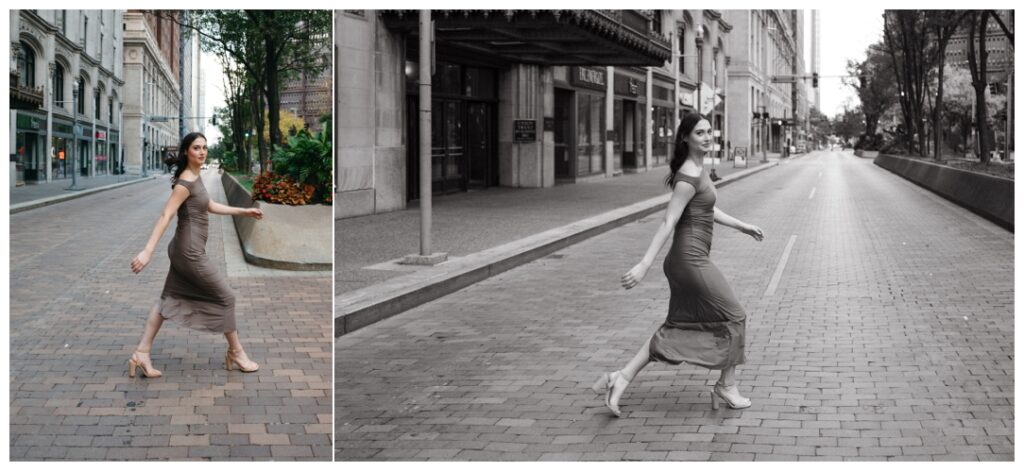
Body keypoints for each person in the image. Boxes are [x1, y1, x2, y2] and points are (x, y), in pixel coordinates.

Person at [592, 113, 765, 417]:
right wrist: (644, 264)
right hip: (689, 260)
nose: (708, 137)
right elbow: (668, 221)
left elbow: (707, 209)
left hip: (691, 260)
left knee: (679, 324)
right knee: (735, 315)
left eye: (710, 131)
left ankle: (620, 378)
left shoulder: (699, 169)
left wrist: (743, 225)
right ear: (685, 137)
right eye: (700, 133)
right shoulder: (688, 175)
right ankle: (727, 386)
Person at [128, 132, 264, 378]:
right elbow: (165, 216)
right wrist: (147, 251)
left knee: (166, 300)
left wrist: (243, 211)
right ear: (185, 152)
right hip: (189, 253)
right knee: (226, 297)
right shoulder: (184, 184)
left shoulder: (195, 177)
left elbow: (209, 205)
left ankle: (141, 353)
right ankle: (236, 352)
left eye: (204, 147)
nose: (202, 152)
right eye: (196, 148)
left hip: (186, 249)